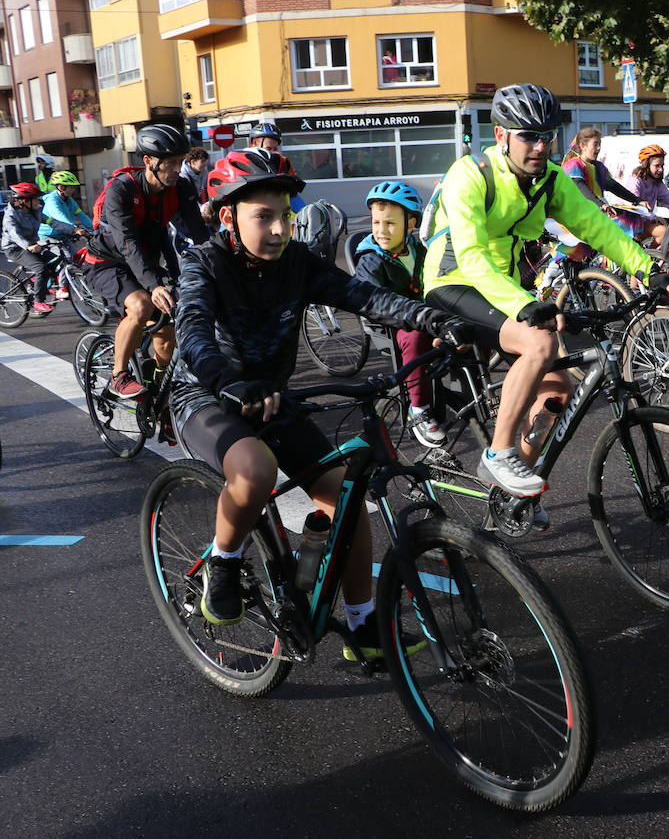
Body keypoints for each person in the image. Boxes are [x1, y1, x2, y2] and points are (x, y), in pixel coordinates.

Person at [172, 148, 465, 660]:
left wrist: (430, 318)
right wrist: (224, 380)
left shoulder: (297, 262)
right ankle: (224, 560)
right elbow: (193, 328)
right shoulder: (204, 260)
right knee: (256, 470)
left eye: (286, 216)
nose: (281, 229)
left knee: (348, 502)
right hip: (207, 391)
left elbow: (365, 297)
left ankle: (362, 624)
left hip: (272, 396)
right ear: (227, 216)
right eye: (264, 217)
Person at [423, 83, 669, 527]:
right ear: (501, 136)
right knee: (541, 342)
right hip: (454, 282)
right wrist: (525, 305)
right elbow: (473, 256)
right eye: (528, 137)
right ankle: (498, 454)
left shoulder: (550, 178)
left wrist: (648, 267)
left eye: (548, 136)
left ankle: (514, 486)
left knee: (558, 389)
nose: (541, 146)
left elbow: (595, 226)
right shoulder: (470, 174)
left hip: (504, 288)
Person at [86, 123, 208, 399]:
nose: (178, 169)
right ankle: (118, 376)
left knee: (168, 330)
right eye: (171, 163)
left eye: (181, 162)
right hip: (107, 262)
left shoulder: (182, 187)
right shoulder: (121, 190)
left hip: (147, 263)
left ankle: (158, 390)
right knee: (140, 305)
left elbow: (199, 234)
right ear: (149, 161)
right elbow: (127, 243)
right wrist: (155, 285)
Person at [353, 179, 445, 447]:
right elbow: (373, 300)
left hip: (424, 315)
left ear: (411, 225)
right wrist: (417, 314)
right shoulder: (371, 259)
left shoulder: (418, 249)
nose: (381, 231)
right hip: (393, 323)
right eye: (376, 223)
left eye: (390, 223)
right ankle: (418, 409)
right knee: (415, 338)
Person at [561, 127, 651, 239]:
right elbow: (581, 187)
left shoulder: (598, 167)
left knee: (632, 218)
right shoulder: (574, 164)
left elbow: (614, 187)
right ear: (583, 146)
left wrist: (637, 200)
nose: (598, 148)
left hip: (596, 212)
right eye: (595, 144)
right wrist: (601, 204)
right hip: (577, 213)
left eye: (600, 144)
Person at [0, 182, 55, 315]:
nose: (38, 201)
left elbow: (52, 222)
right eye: (36, 198)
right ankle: (38, 302)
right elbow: (15, 235)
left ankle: (37, 283)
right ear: (24, 201)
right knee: (40, 268)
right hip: (15, 248)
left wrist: (73, 229)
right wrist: (28, 245)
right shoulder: (10, 216)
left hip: (32, 245)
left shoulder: (35, 211)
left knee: (54, 260)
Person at [630, 143, 669, 247]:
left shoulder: (656, 183)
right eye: (657, 166)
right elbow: (633, 206)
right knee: (663, 232)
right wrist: (652, 217)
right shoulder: (636, 180)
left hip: (643, 222)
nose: (661, 169)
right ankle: (648, 257)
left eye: (662, 165)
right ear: (646, 165)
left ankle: (648, 255)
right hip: (629, 222)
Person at [40, 170, 93, 258]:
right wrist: (75, 229)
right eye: (71, 187)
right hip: (48, 236)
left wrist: (95, 229)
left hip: (63, 235)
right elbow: (60, 217)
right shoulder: (52, 201)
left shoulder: (69, 200)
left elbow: (81, 215)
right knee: (66, 258)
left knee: (77, 257)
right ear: (61, 187)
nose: (74, 189)